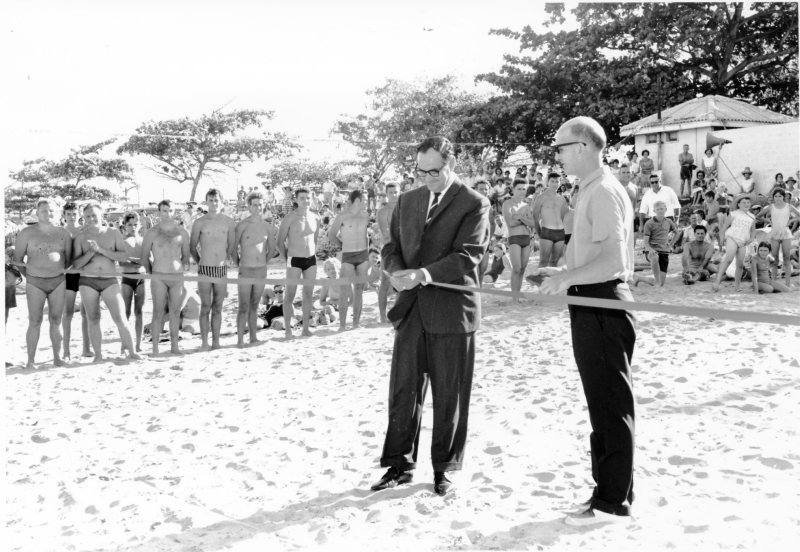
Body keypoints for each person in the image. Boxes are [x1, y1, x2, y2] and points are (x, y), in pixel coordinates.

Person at [371, 136, 490, 497]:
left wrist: (422, 275)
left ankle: (444, 469)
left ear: (451, 164)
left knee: (450, 392)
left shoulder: (474, 203)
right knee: (403, 391)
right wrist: (396, 272)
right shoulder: (408, 200)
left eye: (433, 172)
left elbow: (468, 254)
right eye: (420, 172)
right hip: (411, 310)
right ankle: (398, 465)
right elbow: (391, 247)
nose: (426, 178)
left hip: (453, 311)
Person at [538, 117, 636, 526]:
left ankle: (612, 503)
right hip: (591, 300)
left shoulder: (603, 191)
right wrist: (564, 272)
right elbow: (595, 256)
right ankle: (611, 493)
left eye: (560, 148)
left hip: (603, 303)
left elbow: (614, 261)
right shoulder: (592, 188)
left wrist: (566, 279)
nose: (558, 156)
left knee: (610, 405)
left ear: (582, 146)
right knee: (603, 404)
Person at [71, 203, 141, 362]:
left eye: (94, 215)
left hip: (110, 280)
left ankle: (132, 352)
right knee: (93, 318)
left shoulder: (113, 232)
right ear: (83, 217)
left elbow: (123, 257)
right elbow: (76, 264)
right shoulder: (80, 237)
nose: (91, 219)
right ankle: (98, 355)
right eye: (88, 216)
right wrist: (91, 252)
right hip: (88, 281)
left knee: (120, 318)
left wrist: (101, 250)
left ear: (101, 215)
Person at [13, 199, 73, 369]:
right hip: (35, 283)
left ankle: (57, 358)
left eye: (52, 210)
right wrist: (30, 276)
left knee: (56, 320)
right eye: (44, 211)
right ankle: (31, 361)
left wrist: (55, 269)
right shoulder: (26, 233)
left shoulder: (64, 234)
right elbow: (18, 260)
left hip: (58, 281)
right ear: (37, 213)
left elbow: (69, 260)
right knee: (35, 321)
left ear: (58, 213)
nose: (48, 214)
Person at [141, 199, 191, 355]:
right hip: (159, 276)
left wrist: (179, 266)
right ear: (159, 212)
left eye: (170, 210)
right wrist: (152, 272)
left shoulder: (182, 232)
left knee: (175, 312)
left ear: (174, 212)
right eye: (164, 211)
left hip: (177, 276)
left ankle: (174, 346)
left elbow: (186, 257)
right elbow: (144, 256)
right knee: (158, 312)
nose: (167, 214)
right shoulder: (152, 232)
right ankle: (155, 348)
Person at [190, 189, 236, 350]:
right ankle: (204, 342)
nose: (214, 203)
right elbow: (192, 246)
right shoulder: (199, 222)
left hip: (221, 269)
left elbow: (231, 245)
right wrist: (200, 262)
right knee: (205, 306)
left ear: (221, 202)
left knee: (218, 307)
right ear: (206, 202)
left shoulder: (228, 222)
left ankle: (216, 342)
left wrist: (225, 259)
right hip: (205, 269)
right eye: (211, 200)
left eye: (216, 200)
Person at [276, 188, 320, 338]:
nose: (306, 201)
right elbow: (279, 242)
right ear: (296, 200)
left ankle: (305, 328)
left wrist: (313, 254)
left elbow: (314, 240)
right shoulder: (289, 218)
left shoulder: (315, 217)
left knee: (308, 295)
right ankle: (288, 330)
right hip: (294, 259)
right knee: (290, 295)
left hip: (311, 260)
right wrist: (287, 259)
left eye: (308, 198)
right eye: (302, 198)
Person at [233, 192, 276, 347]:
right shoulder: (242, 225)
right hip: (245, 270)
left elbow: (272, 249)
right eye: (255, 205)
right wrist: (239, 264)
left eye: (260, 204)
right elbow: (233, 248)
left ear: (264, 205)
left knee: (255, 305)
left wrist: (264, 261)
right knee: (243, 306)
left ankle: (253, 337)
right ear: (249, 206)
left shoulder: (267, 227)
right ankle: (240, 339)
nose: (258, 207)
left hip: (261, 271)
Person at [329, 190, 370, 330]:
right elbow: (331, 235)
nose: (366, 202)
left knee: (359, 289)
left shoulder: (365, 215)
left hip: (363, 254)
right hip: (348, 255)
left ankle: (356, 324)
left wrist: (367, 252)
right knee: (344, 289)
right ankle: (342, 325)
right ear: (357, 200)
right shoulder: (342, 216)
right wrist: (343, 246)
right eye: (364, 200)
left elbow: (366, 235)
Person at [61, 201, 92, 360]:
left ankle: (86, 348)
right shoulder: (61, 231)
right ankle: (66, 351)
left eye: (74, 214)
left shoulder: (84, 230)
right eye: (69, 214)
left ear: (79, 214)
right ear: (64, 215)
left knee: (86, 314)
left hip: (84, 274)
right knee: (68, 314)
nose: (72, 217)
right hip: (68, 275)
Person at [756, 188, 800, 287]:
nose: (778, 198)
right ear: (773, 197)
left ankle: (787, 283)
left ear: (783, 197)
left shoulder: (789, 206)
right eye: (775, 196)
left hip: (785, 233)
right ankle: (774, 282)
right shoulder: (770, 207)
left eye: (780, 196)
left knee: (786, 258)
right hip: (774, 233)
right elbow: (758, 216)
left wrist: (791, 221)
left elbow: (799, 215)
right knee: (774, 259)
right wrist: (768, 221)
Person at [713, 194, 756, 292]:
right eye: (743, 202)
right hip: (732, 237)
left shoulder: (752, 217)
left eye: (748, 202)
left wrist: (751, 239)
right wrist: (721, 238)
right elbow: (724, 227)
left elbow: (753, 230)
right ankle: (717, 280)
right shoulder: (733, 214)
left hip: (743, 241)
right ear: (738, 204)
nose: (746, 204)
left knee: (740, 264)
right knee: (729, 259)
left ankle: (737, 286)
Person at [502, 180, 534, 298]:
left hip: (526, 238)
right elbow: (511, 223)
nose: (521, 191)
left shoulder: (526, 205)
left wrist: (519, 217)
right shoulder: (507, 204)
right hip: (514, 238)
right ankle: (514, 298)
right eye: (519, 189)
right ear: (513, 190)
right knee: (516, 268)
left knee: (523, 269)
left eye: (524, 189)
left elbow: (533, 224)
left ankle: (518, 295)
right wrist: (525, 219)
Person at [119, 212, 146, 353]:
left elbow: (148, 260)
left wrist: (135, 262)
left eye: (135, 224)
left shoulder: (143, 241)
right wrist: (137, 263)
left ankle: (138, 344)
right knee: (126, 312)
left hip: (141, 278)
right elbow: (121, 262)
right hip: (127, 278)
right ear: (125, 226)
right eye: (130, 225)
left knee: (139, 312)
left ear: (140, 225)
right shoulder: (122, 241)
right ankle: (124, 344)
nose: (133, 227)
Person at [531, 172, 569, 268]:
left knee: (556, 262)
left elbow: (563, 216)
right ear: (548, 182)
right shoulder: (541, 197)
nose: (555, 184)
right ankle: (540, 278)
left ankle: (551, 278)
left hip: (560, 232)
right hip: (547, 231)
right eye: (552, 181)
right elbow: (535, 216)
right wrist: (538, 232)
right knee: (543, 262)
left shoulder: (561, 199)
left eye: (557, 181)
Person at [376, 183, 399, 322]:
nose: (394, 195)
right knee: (385, 281)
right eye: (391, 192)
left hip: (403, 248)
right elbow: (385, 234)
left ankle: (400, 315)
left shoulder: (405, 208)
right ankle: (382, 316)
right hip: (389, 248)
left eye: (396, 192)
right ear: (386, 194)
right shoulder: (382, 211)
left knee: (403, 281)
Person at [642, 201, 678, 286]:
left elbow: (677, 233)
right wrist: (650, 250)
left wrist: (671, 244)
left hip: (664, 251)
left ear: (665, 209)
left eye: (661, 209)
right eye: (657, 209)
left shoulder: (669, 221)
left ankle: (641, 279)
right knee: (655, 257)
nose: (660, 211)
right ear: (654, 211)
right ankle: (657, 283)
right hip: (652, 250)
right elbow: (645, 242)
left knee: (662, 283)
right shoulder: (649, 223)